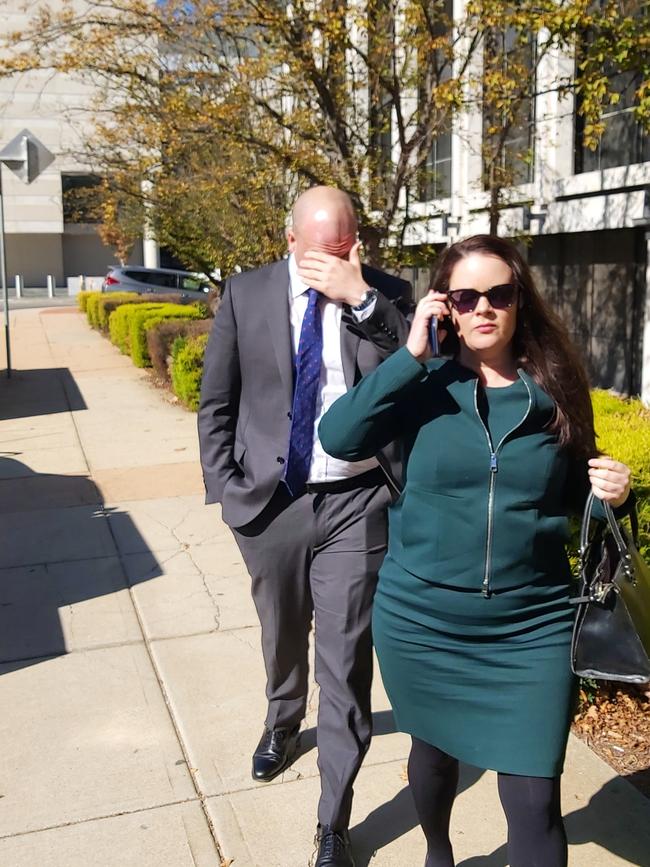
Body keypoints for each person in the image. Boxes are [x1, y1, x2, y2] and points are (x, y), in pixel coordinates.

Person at [319, 234, 633, 867]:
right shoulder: (422, 383)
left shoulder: (557, 389)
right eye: (466, 296)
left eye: (499, 294)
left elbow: (575, 493)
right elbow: (339, 436)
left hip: (530, 626)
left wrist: (615, 495)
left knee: (535, 796)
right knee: (433, 763)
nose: (482, 308)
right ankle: (438, 852)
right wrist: (409, 356)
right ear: (446, 306)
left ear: (520, 301)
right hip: (423, 623)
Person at [197, 186, 410, 867]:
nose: (334, 260)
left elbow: (423, 365)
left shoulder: (386, 294)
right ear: (290, 241)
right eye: (321, 250)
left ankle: (332, 824)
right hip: (273, 503)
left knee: (345, 661)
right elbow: (216, 402)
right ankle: (283, 720)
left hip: (357, 502)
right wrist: (229, 494)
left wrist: (364, 299)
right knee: (282, 633)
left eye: (346, 247)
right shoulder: (246, 294)